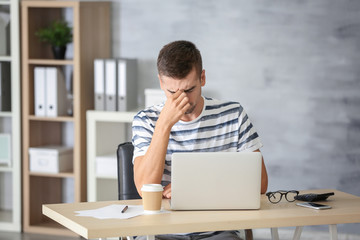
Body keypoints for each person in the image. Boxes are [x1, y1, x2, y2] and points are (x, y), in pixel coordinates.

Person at [132, 40, 268, 240]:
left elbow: (260, 185)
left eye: (189, 90)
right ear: (161, 82)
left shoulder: (234, 115)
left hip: (219, 231)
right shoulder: (146, 121)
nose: (182, 100)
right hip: (160, 232)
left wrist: (192, 190)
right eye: (172, 92)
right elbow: (145, 189)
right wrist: (163, 126)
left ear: (202, 78)